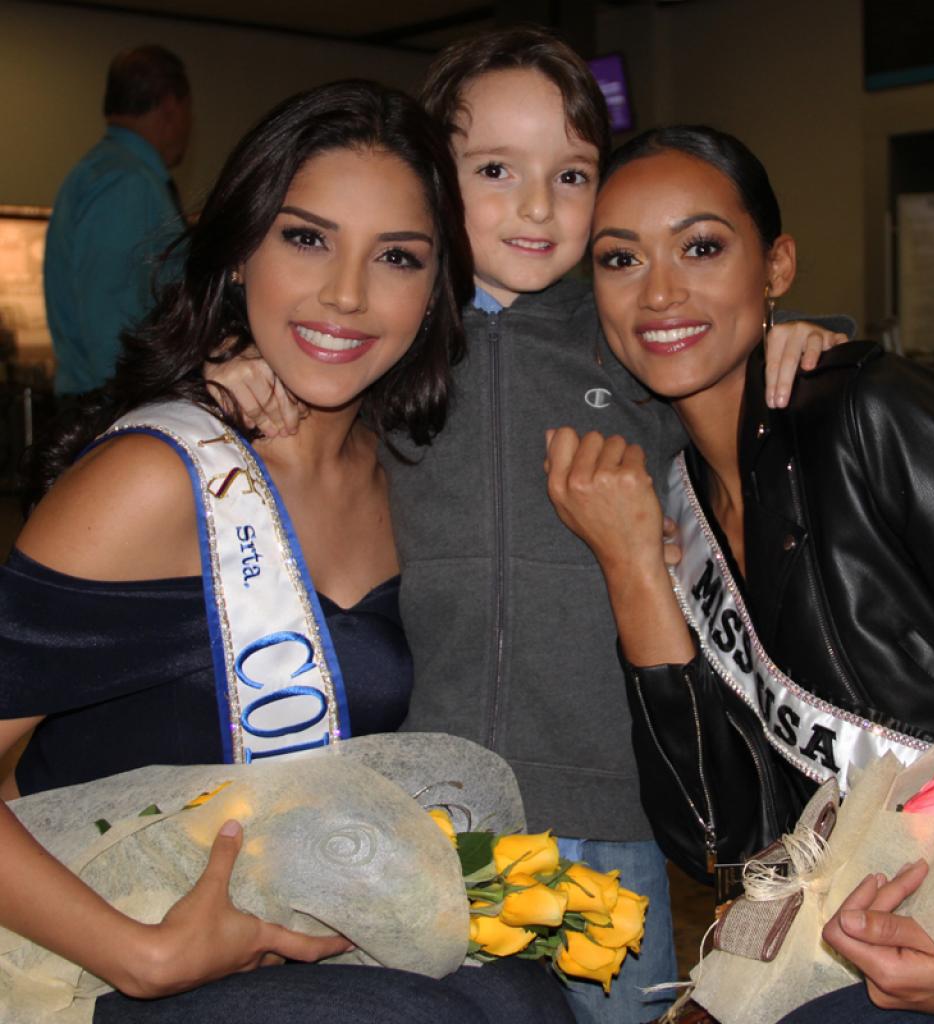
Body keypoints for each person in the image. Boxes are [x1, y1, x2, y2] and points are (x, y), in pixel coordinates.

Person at [208, 28, 851, 1024]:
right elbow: (300, 374)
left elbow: (722, 339)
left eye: (572, 172)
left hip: (611, 811)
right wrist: (244, 367)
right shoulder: (393, 339)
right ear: (434, 175)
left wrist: (798, 339)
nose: (536, 206)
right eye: (495, 169)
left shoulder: (627, 332)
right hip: (432, 821)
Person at [1, 80, 573, 1024]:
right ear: (236, 256)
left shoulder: (403, 473)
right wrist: (141, 956)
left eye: (397, 256)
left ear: (437, 290)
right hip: (89, 951)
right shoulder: (158, 479)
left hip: (284, 928)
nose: (346, 294)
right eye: (305, 238)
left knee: (524, 1001)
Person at [544, 124, 934, 1022]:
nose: (660, 291)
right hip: (861, 939)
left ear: (776, 267)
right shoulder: (669, 502)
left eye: (701, 247)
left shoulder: (868, 418)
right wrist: (634, 572)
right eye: (619, 259)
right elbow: (723, 846)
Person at [44, 44, 192, 399]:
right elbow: (110, 327)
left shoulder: (102, 172)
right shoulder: (127, 184)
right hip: (115, 406)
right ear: (171, 105)